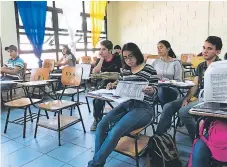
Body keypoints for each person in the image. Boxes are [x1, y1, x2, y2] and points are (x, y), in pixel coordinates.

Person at [87, 42, 158, 167]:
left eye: (131, 56)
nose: (128, 60)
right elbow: (120, 83)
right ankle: (98, 162)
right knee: (101, 125)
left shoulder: (149, 69)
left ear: (137, 54)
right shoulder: (125, 70)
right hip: (127, 104)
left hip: (144, 108)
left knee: (115, 131)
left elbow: (156, 90)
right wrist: (112, 85)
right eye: (125, 58)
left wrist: (152, 90)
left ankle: (95, 164)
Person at [156, 36, 223, 141]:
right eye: (204, 47)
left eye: (209, 49)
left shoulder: (221, 66)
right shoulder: (201, 66)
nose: (205, 51)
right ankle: (158, 138)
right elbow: (195, 85)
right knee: (168, 107)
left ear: (218, 52)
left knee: (183, 112)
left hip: (210, 100)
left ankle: (197, 140)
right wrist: (186, 98)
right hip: (197, 97)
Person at [90, 40, 122, 131]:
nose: (101, 51)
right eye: (100, 49)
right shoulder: (100, 59)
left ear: (110, 50)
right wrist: (101, 60)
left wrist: (115, 83)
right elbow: (95, 72)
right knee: (97, 99)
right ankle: (97, 120)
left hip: (117, 83)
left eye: (103, 49)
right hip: (105, 84)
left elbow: (123, 73)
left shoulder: (118, 58)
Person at [152, 40, 183, 107]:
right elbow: (151, 78)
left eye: (161, 47)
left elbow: (179, 80)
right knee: (157, 91)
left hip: (172, 89)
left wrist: (168, 82)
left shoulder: (176, 62)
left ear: (168, 49)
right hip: (157, 88)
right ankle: (165, 112)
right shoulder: (155, 63)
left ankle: (163, 112)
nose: (159, 49)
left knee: (162, 91)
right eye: (158, 48)